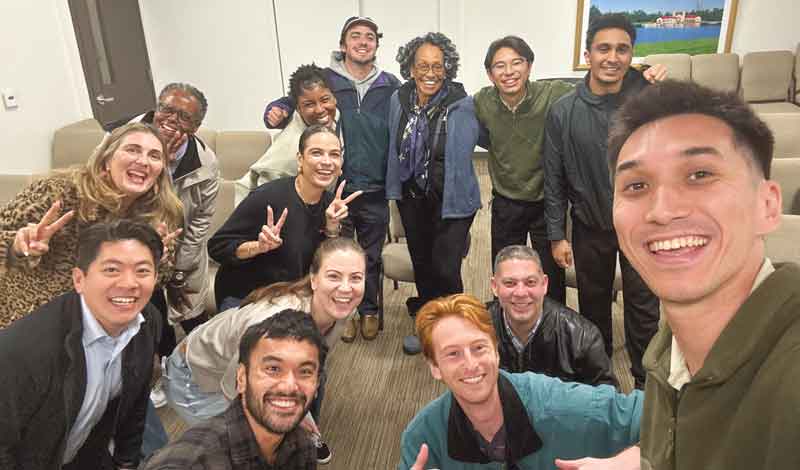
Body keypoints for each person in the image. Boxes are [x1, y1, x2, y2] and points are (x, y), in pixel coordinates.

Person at [608, 80, 798, 469]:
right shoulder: (667, 353)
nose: (662, 211)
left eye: (699, 174)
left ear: (767, 205)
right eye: (637, 185)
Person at [163, 237, 365, 464]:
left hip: (235, 360)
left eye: (356, 278)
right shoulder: (273, 324)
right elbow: (235, 389)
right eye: (334, 276)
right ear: (314, 279)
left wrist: (298, 416)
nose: (346, 288)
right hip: (197, 376)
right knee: (240, 450)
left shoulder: (341, 307)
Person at [544, 14, 665, 388]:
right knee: (593, 305)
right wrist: (556, 235)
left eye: (622, 50)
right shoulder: (563, 111)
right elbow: (554, 178)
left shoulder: (649, 101)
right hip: (589, 226)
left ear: (632, 55)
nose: (612, 58)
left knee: (644, 306)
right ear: (588, 55)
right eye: (604, 49)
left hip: (642, 225)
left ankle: (646, 382)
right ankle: (599, 379)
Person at [264, 16, 400, 342]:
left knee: (371, 255)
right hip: (335, 190)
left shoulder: (390, 83)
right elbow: (297, 97)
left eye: (370, 37)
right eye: (356, 36)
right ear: (343, 45)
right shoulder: (327, 79)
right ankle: (344, 312)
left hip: (375, 188)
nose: (363, 42)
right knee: (335, 255)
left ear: (376, 45)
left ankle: (368, 309)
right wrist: (277, 107)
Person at [400, 294, 643, 469]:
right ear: (435, 368)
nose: (471, 364)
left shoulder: (559, 405)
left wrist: (625, 463)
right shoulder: (423, 437)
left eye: (479, 348)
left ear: (496, 352)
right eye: (453, 354)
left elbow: (659, 414)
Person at [0, 219, 163, 470]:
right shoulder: (23, 351)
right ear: (79, 279)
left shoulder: (147, 321)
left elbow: (135, 404)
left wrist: (126, 464)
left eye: (142, 271)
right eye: (112, 270)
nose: (129, 283)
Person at [0, 122, 183, 330]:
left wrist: (158, 260)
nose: (143, 161)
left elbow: (157, 280)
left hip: (97, 325)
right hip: (30, 319)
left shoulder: (160, 215)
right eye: (132, 150)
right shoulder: (58, 193)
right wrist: (17, 247)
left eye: (154, 156)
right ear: (107, 160)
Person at [386, 32, 481, 356]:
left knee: (445, 269)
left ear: (447, 68)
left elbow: (494, 137)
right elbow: (392, 144)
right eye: (422, 65)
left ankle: (455, 331)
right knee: (423, 265)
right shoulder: (399, 100)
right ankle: (428, 325)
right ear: (411, 68)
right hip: (413, 197)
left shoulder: (463, 105)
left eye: (438, 66)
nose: (430, 72)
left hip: (454, 200)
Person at [142, 310, 324, 469]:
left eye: (305, 372)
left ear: (316, 385)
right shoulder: (190, 463)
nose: (289, 386)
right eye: (273, 369)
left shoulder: (302, 447)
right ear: (241, 378)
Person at [208, 124, 361, 311]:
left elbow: (334, 267)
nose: (327, 161)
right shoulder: (268, 196)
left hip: (295, 298)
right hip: (248, 297)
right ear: (300, 159)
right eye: (316, 153)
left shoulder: (336, 208)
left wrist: (331, 228)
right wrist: (258, 247)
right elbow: (217, 247)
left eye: (334, 154)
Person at [488, 245, 615, 386]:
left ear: (544, 284)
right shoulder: (475, 327)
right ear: (494, 286)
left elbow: (606, 395)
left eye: (530, 282)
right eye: (510, 283)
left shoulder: (582, 337)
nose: (521, 293)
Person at [237, 64, 338, 204]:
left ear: (334, 98)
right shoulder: (292, 147)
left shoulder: (335, 119)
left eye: (325, 100)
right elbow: (266, 195)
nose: (320, 109)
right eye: (309, 104)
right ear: (298, 109)